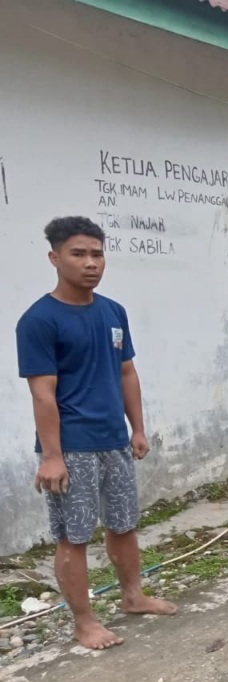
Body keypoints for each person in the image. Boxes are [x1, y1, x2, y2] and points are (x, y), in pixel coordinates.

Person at [16, 216, 177, 651]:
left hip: (113, 441)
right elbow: (42, 395)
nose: (91, 263)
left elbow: (126, 371)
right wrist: (52, 456)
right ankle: (83, 622)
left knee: (124, 524)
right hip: (72, 448)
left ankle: (132, 596)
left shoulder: (112, 311)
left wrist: (137, 428)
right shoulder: (39, 320)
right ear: (54, 258)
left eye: (97, 253)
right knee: (75, 535)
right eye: (79, 254)